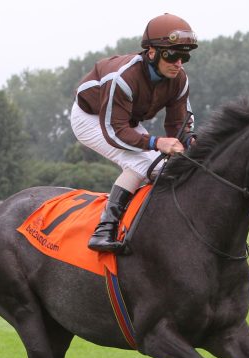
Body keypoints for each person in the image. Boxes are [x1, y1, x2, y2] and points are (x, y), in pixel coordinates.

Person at [71, 13, 198, 252]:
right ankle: (103, 230)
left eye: (184, 56)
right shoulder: (123, 77)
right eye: (172, 55)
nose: (178, 63)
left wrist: (191, 141)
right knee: (145, 165)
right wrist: (156, 142)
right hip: (91, 119)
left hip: (123, 120)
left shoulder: (179, 80)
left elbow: (178, 126)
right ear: (152, 53)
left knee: (162, 168)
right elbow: (114, 132)